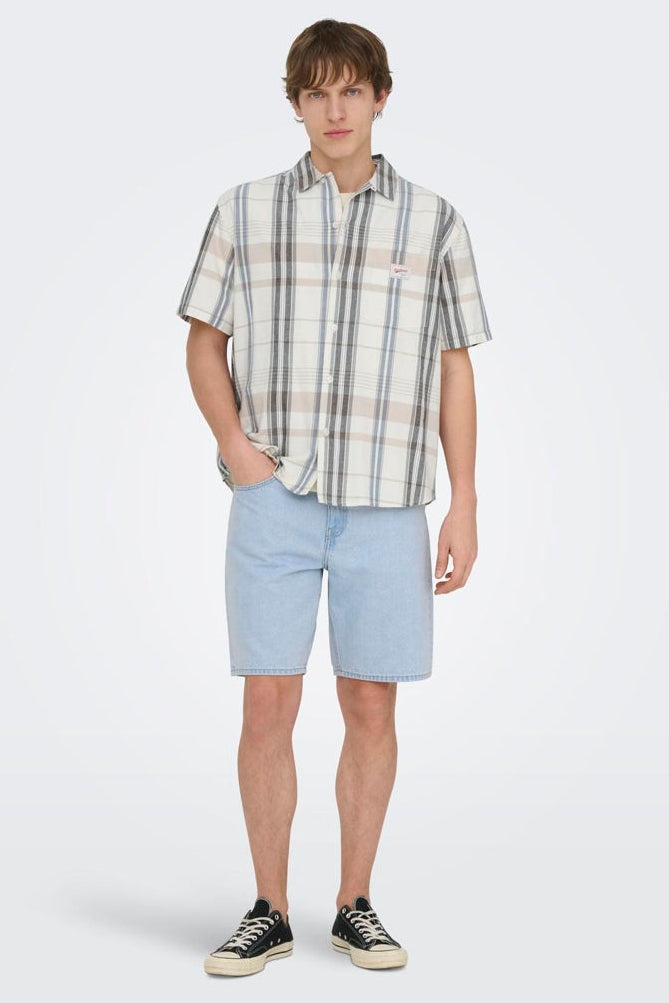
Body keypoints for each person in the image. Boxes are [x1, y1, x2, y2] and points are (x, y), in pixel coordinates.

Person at [176, 18, 493, 977]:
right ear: (296, 104)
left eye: (350, 89)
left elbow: (454, 367)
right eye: (315, 92)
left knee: (369, 702)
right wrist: (238, 453)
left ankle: (355, 903)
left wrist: (464, 501)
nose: (334, 109)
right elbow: (203, 341)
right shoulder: (244, 210)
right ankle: (268, 908)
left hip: (388, 501)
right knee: (266, 702)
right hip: (273, 498)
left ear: (379, 97)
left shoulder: (433, 220)